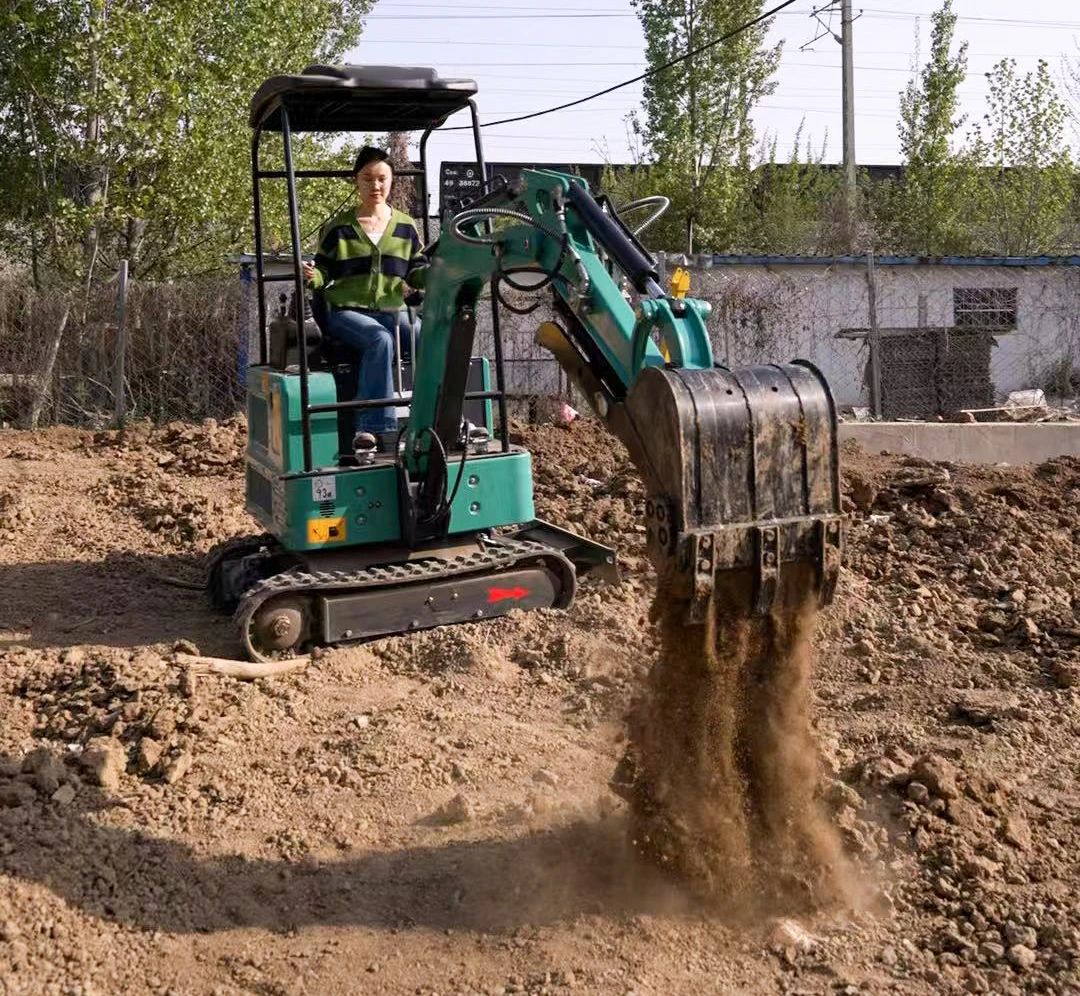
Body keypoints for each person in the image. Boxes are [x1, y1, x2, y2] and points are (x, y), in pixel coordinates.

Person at [302, 146, 427, 451]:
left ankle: (433, 416)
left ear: (391, 180)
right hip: (345, 312)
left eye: (382, 178)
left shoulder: (405, 227)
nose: (376, 186)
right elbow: (324, 272)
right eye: (368, 178)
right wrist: (313, 276)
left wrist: (436, 275)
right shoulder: (339, 228)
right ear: (356, 181)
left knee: (427, 334)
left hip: (391, 309)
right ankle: (372, 427)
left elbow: (417, 271)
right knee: (379, 339)